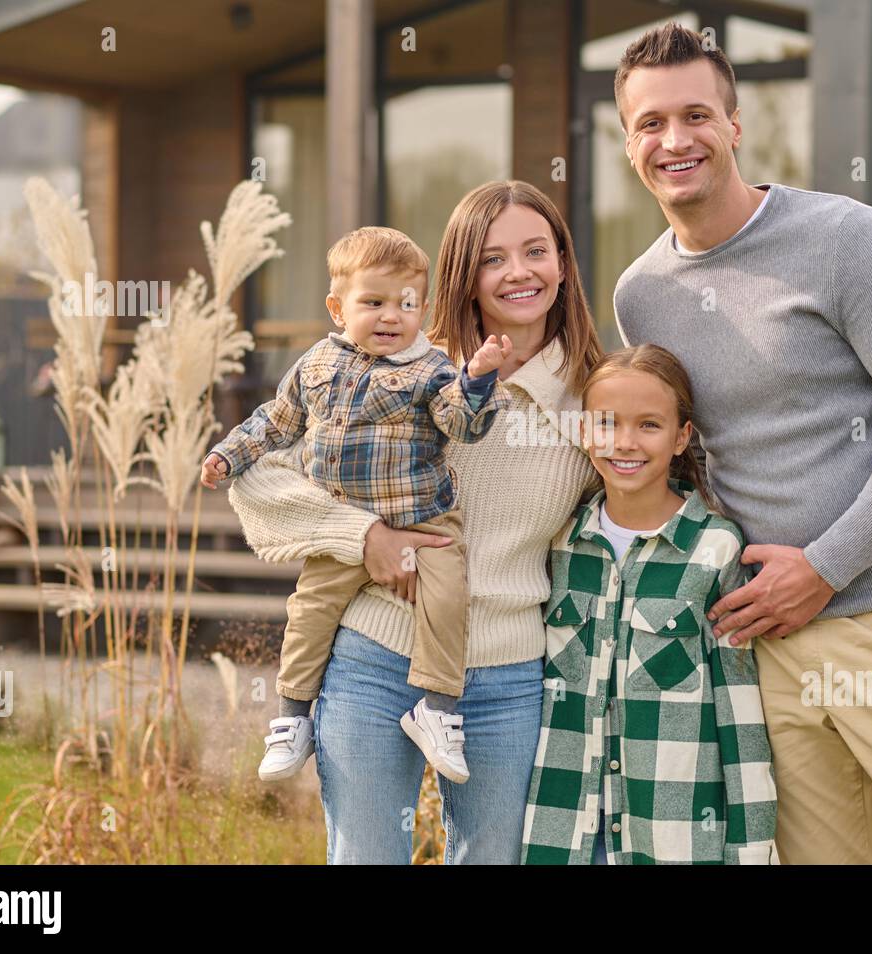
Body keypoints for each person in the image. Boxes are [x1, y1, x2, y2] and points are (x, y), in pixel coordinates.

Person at [610, 22, 872, 864]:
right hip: (772, 640)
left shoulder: (844, 239)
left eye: (694, 116)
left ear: (734, 125)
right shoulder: (640, 296)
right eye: (650, 124)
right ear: (627, 142)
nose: (674, 140)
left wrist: (824, 568)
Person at [225, 181, 604, 863]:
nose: (518, 272)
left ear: (563, 263)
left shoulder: (593, 397)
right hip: (374, 656)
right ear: (463, 274)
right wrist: (363, 538)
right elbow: (257, 473)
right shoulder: (401, 368)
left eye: (536, 252)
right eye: (493, 259)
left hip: (506, 672)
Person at [202, 226, 510, 785]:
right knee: (310, 611)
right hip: (344, 521)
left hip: (425, 519)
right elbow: (277, 420)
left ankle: (437, 710)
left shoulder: (433, 369)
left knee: (446, 600)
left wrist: (479, 379)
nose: (392, 315)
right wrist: (228, 455)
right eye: (374, 302)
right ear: (336, 308)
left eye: (407, 303)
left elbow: (461, 424)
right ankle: (293, 716)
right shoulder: (317, 363)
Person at [522, 344, 777, 864]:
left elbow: (741, 719)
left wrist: (751, 851)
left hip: (672, 837)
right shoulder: (560, 543)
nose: (626, 443)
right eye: (608, 424)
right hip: (565, 835)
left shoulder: (716, 550)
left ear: (683, 436)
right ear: (584, 431)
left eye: (649, 426)